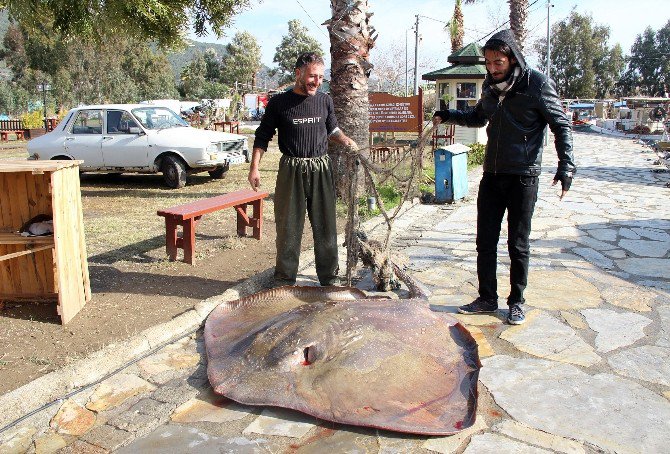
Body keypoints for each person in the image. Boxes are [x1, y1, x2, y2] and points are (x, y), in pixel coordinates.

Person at [432, 29, 576, 325]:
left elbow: (561, 126)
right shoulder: (490, 85)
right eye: (488, 62)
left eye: (498, 62)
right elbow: (477, 117)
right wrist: (448, 115)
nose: (492, 68)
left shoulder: (536, 84)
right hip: (492, 174)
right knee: (485, 240)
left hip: (523, 176)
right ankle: (487, 298)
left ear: (512, 59)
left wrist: (566, 166)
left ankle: (516, 301)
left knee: (517, 243)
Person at [248, 52, 357, 287]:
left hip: (321, 168)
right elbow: (262, 136)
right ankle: (285, 279)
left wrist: (346, 140)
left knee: (326, 224)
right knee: (288, 225)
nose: (316, 82)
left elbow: (332, 131)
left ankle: (329, 278)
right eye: (312, 76)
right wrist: (254, 168)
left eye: (320, 77)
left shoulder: (324, 100)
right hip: (291, 169)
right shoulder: (279, 103)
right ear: (298, 73)